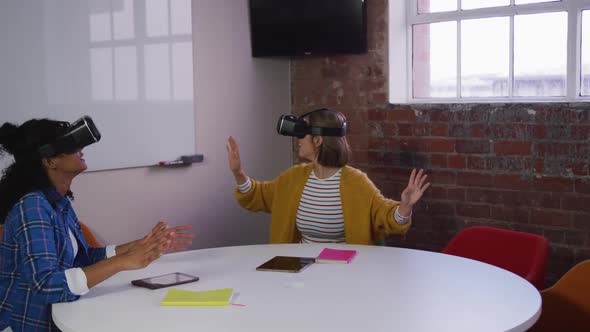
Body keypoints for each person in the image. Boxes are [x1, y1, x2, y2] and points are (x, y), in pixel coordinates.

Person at [0, 117, 193, 332]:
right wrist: (123, 262)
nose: (80, 149)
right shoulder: (32, 207)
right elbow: (46, 285)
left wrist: (139, 246)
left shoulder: (58, 202)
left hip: (60, 315)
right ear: (49, 161)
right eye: (70, 145)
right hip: (29, 324)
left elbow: (81, 259)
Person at [226, 108, 430, 244]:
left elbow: (386, 217)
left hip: (343, 275)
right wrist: (239, 173)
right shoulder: (293, 178)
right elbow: (258, 196)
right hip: (298, 273)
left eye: (302, 135)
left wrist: (405, 206)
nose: (298, 140)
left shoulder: (356, 183)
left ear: (317, 140)